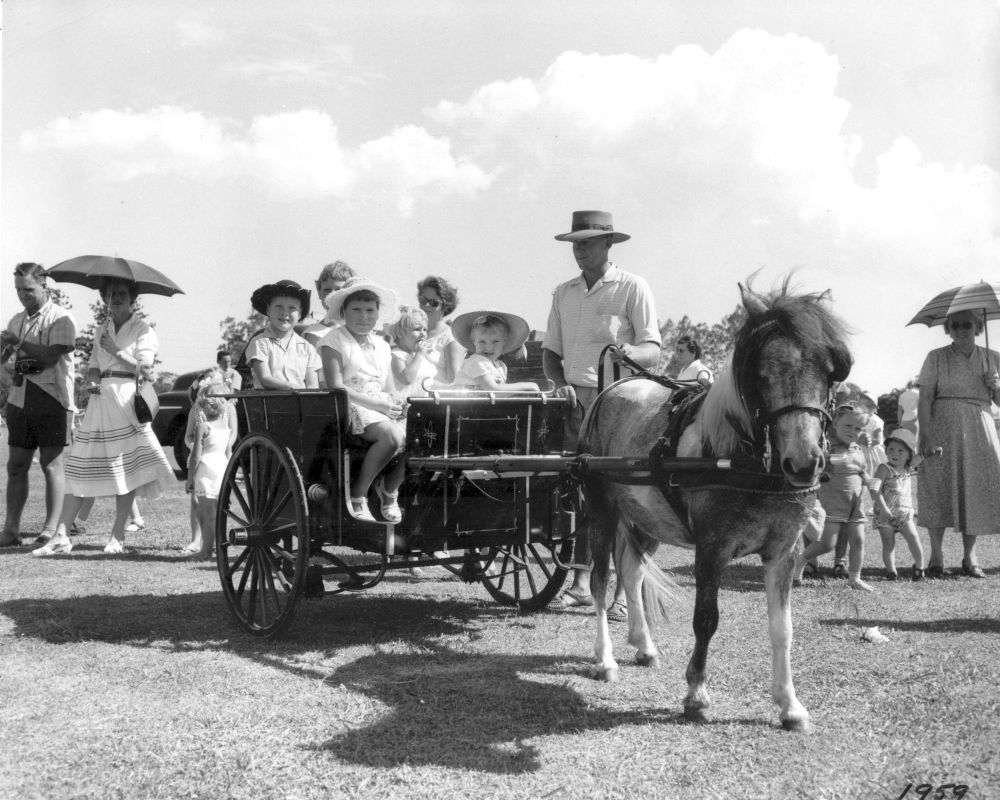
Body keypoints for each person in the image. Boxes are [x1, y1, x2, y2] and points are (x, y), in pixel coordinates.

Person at [542, 210, 661, 619]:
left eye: (589, 242)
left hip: (622, 404)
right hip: (574, 402)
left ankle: (626, 596)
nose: (580, 249)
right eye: (576, 242)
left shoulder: (632, 287)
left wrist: (632, 354)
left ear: (609, 244)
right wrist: (560, 386)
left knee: (627, 496)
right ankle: (579, 583)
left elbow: (653, 348)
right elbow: (550, 354)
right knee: (580, 492)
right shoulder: (563, 293)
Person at [33, 278, 174, 556]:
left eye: (122, 294)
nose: (116, 299)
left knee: (125, 470)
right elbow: (94, 366)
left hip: (126, 400)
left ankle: (117, 536)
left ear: (132, 297)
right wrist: (93, 379)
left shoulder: (142, 329)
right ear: (104, 299)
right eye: (110, 295)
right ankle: (61, 535)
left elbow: (144, 370)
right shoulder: (101, 330)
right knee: (80, 465)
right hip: (100, 401)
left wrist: (115, 351)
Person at [916, 309, 1000, 578]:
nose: (961, 330)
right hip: (942, 425)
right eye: (955, 325)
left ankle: (969, 555)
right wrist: (926, 434)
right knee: (938, 486)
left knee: (973, 487)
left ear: (978, 327)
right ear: (948, 329)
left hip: (980, 425)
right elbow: (925, 398)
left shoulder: (993, 358)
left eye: (967, 324)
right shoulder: (936, 357)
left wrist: (996, 386)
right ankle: (936, 554)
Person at [1, 263, 77, 547]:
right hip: (20, 399)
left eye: (29, 290)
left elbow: (49, 358)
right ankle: (10, 530)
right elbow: (6, 359)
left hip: (53, 399)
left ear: (45, 286)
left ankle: (49, 530)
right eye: (19, 290)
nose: (23, 296)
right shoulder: (16, 320)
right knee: (16, 465)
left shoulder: (62, 318)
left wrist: (18, 343)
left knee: (52, 464)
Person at [318, 277, 405, 523]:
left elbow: (388, 386)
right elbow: (336, 386)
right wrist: (378, 405)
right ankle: (358, 494)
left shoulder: (382, 345)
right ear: (344, 311)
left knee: (424, 434)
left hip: (382, 404)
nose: (363, 316)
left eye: (370, 310)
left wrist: (396, 404)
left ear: (378, 314)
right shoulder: (333, 340)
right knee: (392, 436)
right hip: (349, 405)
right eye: (356, 309)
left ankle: (389, 491)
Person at [793, 405, 873, 591]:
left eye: (858, 429)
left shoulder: (858, 449)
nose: (853, 431)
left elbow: (862, 471)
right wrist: (835, 459)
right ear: (835, 423)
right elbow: (821, 464)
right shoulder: (826, 445)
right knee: (828, 543)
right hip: (833, 502)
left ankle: (855, 578)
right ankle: (801, 561)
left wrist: (870, 480)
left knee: (858, 540)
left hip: (856, 503)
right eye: (848, 426)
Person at [183, 373, 237, 558]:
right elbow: (227, 448)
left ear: (203, 405)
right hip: (221, 467)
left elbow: (196, 456)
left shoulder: (203, 427)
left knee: (205, 514)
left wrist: (190, 479)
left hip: (205, 470)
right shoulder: (225, 427)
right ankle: (218, 548)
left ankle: (206, 551)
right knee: (217, 513)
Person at [244, 280, 321, 390]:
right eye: (278, 306)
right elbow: (265, 379)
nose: (285, 313)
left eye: (292, 308)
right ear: (268, 310)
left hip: (302, 403)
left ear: (300, 313)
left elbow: (313, 385)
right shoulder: (260, 342)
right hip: (268, 403)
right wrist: (292, 388)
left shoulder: (307, 348)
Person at [869, 428, 924, 581]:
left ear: (908, 456)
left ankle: (919, 567)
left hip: (904, 515)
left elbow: (921, 457)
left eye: (901, 451)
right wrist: (884, 508)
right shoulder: (884, 468)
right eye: (891, 449)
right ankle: (891, 571)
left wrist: (931, 451)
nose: (895, 453)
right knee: (888, 543)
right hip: (885, 514)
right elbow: (874, 489)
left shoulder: (908, 468)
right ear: (886, 451)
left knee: (913, 537)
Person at [452, 311, 540, 391]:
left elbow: (501, 393)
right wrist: (526, 386)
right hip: (465, 407)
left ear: (504, 341)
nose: (489, 347)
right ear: (474, 341)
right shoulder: (475, 363)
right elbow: (493, 389)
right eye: (482, 341)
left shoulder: (501, 366)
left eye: (495, 341)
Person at [416, 276, 464, 387]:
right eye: (423, 300)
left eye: (434, 303)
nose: (426, 305)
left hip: (433, 400)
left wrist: (421, 384)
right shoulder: (409, 331)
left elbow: (455, 382)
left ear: (445, 305)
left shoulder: (452, 337)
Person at [303, 261, 356, 349]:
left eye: (339, 289)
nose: (332, 294)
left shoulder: (360, 330)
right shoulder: (314, 335)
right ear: (319, 293)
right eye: (327, 290)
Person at [389, 305, 436, 399]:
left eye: (425, 330)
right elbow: (406, 379)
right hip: (404, 403)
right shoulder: (397, 355)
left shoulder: (418, 356)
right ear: (399, 333)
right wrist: (419, 355)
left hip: (422, 402)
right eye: (417, 329)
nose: (423, 334)